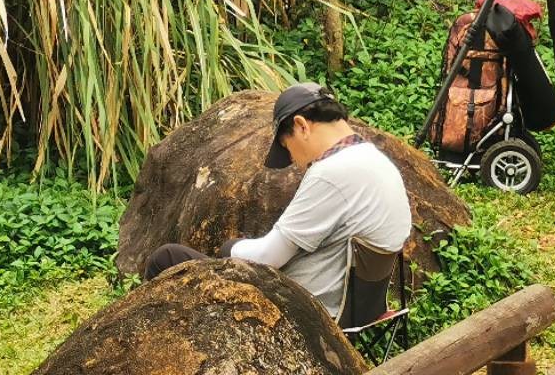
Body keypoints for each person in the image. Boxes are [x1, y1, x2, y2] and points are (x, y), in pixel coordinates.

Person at [144, 82, 413, 319]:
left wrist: (231, 248)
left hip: (303, 309)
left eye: (287, 147)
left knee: (167, 257)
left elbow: (268, 256)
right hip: (358, 309)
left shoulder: (332, 173)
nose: (294, 161)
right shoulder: (376, 161)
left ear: (301, 126)